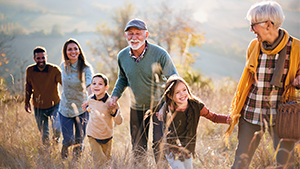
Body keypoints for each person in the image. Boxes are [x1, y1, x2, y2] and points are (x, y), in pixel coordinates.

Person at [225, 1, 300, 168]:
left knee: (285, 163)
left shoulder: (296, 48)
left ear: (268, 25)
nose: (251, 30)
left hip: (282, 117)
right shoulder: (254, 45)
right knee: (240, 162)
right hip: (252, 112)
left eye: (253, 25)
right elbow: (248, 80)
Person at [107, 18, 178, 162]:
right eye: (130, 33)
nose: (134, 37)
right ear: (126, 36)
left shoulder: (160, 54)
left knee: (159, 144)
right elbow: (122, 78)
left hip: (159, 105)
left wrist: (166, 105)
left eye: (138, 33)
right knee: (138, 146)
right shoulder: (122, 56)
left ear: (146, 35)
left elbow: (174, 80)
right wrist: (115, 96)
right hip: (136, 106)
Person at [156, 75, 230, 169]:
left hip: (188, 149)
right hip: (172, 151)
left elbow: (213, 117)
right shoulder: (168, 108)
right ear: (170, 96)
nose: (182, 94)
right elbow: (164, 106)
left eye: (184, 90)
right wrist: (162, 109)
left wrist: (228, 119)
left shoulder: (196, 107)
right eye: (177, 92)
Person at [59, 38, 93, 160]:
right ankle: (63, 153)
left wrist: (90, 100)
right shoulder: (63, 66)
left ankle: (75, 163)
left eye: (75, 49)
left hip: (82, 109)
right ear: (65, 52)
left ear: (79, 51)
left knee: (79, 141)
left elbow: (89, 84)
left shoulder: (85, 68)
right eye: (69, 49)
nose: (73, 51)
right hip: (65, 109)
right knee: (68, 140)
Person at [82, 73, 123, 168]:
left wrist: (113, 110)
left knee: (106, 162)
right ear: (91, 86)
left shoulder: (111, 102)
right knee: (100, 160)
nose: (96, 86)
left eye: (100, 84)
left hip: (107, 137)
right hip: (92, 135)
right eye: (94, 83)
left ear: (106, 87)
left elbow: (119, 121)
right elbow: (91, 108)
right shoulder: (90, 99)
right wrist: (86, 107)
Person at [25, 46, 62, 147]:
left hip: (55, 105)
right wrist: (26, 102)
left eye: (43, 58)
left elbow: (64, 83)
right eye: (38, 58)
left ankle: (56, 145)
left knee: (57, 128)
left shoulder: (54, 70)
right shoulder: (30, 70)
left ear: (46, 57)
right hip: (39, 107)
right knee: (44, 133)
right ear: (34, 59)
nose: (41, 60)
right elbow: (28, 86)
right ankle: (46, 152)